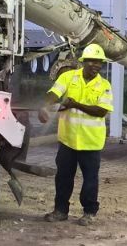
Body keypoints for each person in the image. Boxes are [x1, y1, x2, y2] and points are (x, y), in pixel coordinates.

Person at [41, 42, 113, 224]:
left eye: (99, 62)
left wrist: (75, 105)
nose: (96, 65)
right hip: (68, 140)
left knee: (90, 181)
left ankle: (89, 212)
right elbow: (54, 93)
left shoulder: (104, 85)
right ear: (84, 61)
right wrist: (45, 106)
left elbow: (101, 111)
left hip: (91, 142)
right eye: (92, 61)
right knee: (63, 178)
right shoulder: (68, 77)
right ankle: (60, 211)